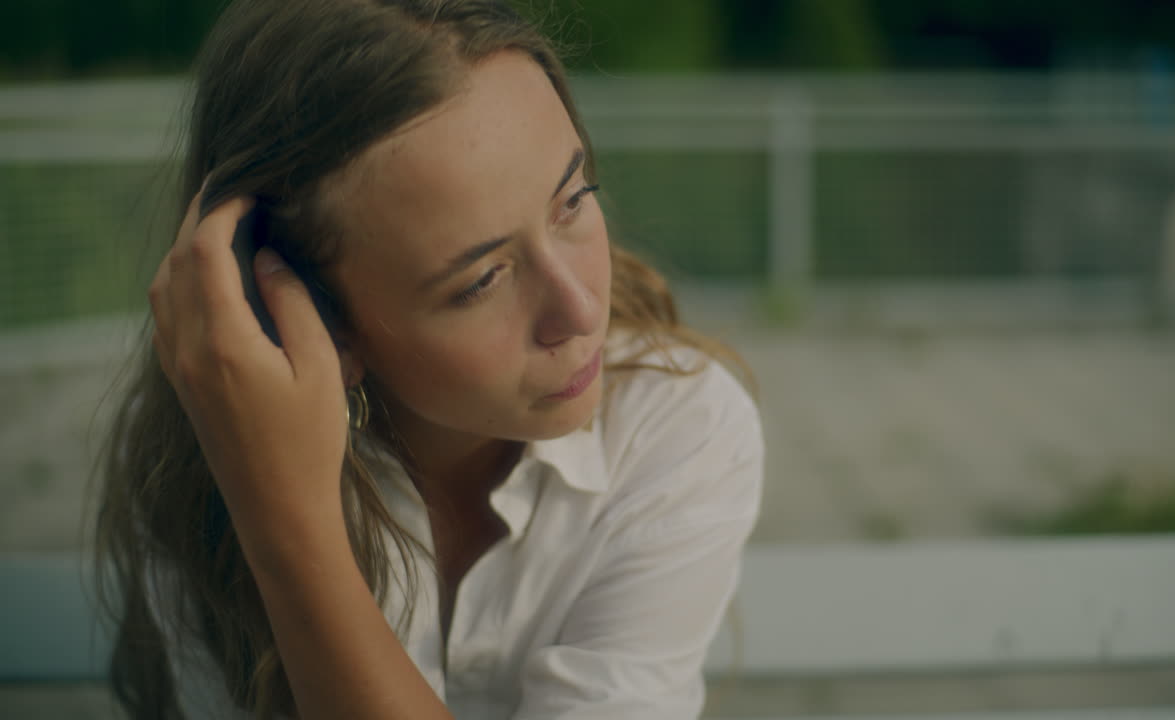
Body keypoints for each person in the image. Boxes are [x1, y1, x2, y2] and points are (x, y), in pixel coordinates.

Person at [94, 1, 763, 719]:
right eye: (482, 280)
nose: (578, 311)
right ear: (311, 316)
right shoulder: (219, 440)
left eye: (572, 201)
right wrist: (284, 513)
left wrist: (287, 531)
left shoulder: (677, 426)